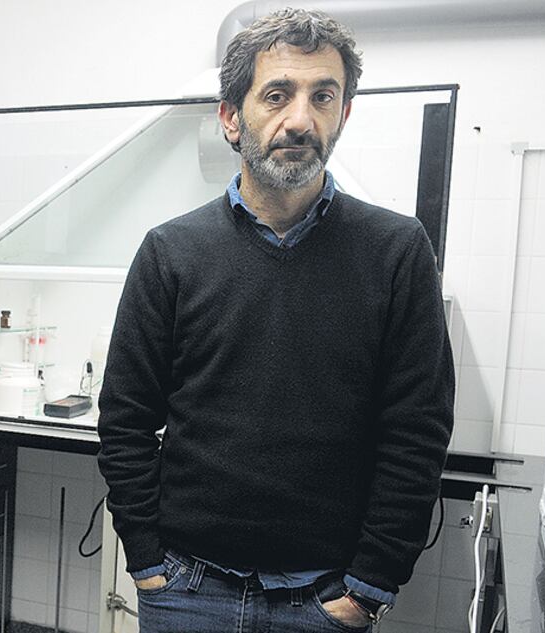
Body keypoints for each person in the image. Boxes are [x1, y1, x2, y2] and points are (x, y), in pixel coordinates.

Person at [97, 7, 455, 633]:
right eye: (277, 95)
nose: (300, 119)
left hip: (323, 599)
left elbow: (416, 433)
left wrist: (369, 585)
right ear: (232, 118)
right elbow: (126, 419)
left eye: (323, 96)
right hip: (187, 590)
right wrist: (148, 560)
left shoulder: (398, 252)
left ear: (343, 114)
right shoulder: (170, 252)